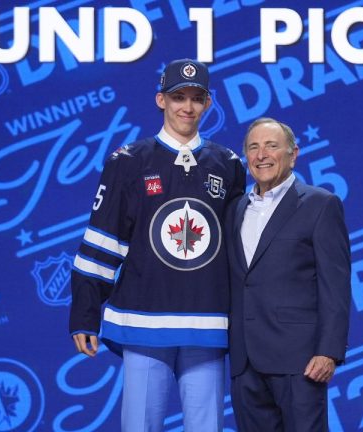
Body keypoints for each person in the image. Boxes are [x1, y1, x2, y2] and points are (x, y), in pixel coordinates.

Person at [69, 59, 246, 431]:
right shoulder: (128, 161)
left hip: (207, 321)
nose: (187, 107)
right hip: (143, 320)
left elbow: (236, 250)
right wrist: (85, 314)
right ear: (160, 100)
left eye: (196, 98)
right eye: (178, 97)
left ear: (208, 103)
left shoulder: (228, 164)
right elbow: (104, 240)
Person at [226, 117, 351, 431]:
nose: (261, 155)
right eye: (253, 147)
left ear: (293, 154)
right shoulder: (234, 209)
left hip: (300, 360)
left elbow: (335, 286)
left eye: (271, 146)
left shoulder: (320, 204)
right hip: (245, 361)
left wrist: (328, 351)